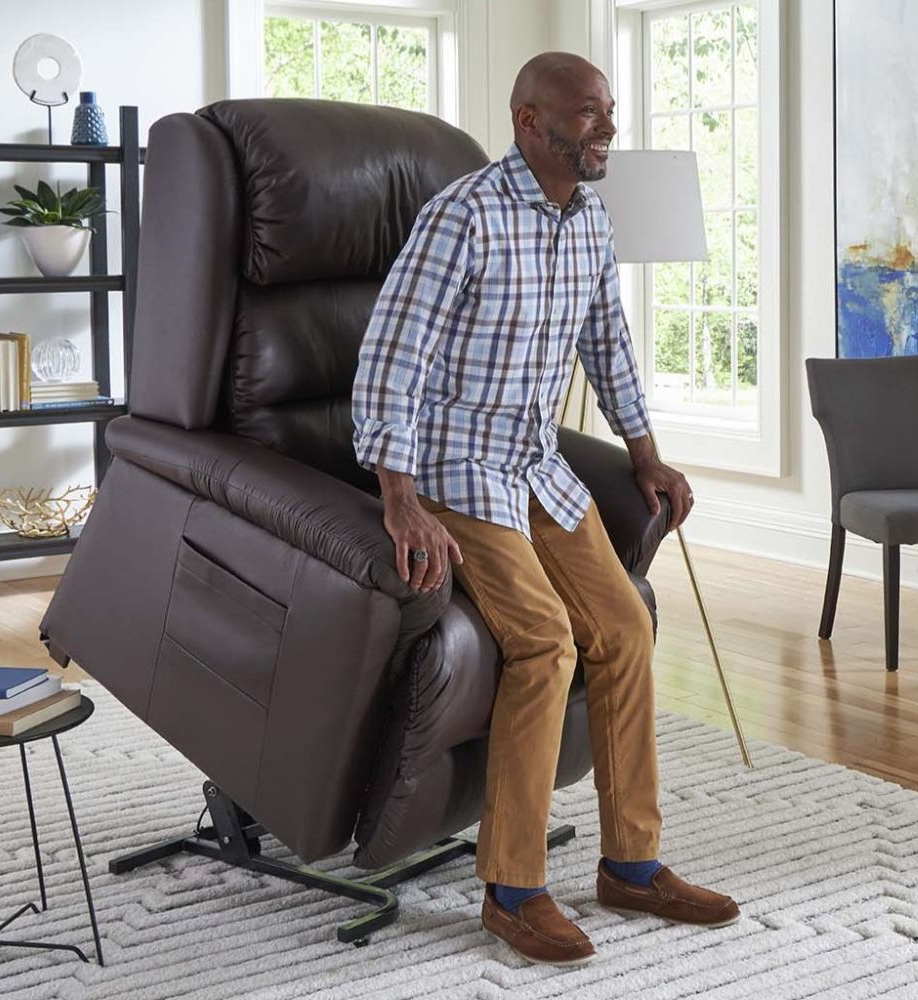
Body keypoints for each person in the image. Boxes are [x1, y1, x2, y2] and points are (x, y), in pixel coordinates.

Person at [351, 50, 740, 966]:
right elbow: (390, 361)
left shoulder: (588, 219)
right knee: (544, 641)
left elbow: (608, 341)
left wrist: (646, 454)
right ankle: (514, 888)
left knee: (625, 627)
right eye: (588, 114)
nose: (606, 129)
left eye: (609, 113)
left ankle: (631, 866)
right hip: (455, 472)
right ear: (531, 121)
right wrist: (399, 498)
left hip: (534, 464)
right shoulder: (464, 217)